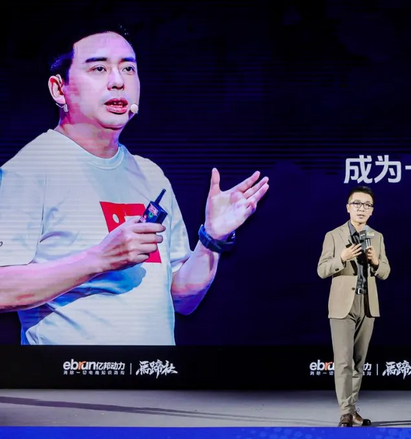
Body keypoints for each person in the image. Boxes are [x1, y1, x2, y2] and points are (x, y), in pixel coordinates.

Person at [0, 25, 269, 345]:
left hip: (152, 373)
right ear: (59, 89)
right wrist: (99, 259)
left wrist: (211, 239)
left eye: (128, 68)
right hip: (73, 374)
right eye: (99, 68)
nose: (118, 81)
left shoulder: (150, 175)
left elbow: (181, 299)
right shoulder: (29, 170)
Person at [317, 185, 390, 427]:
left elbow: (386, 272)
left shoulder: (377, 237)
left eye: (367, 205)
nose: (361, 208)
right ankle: (345, 412)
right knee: (343, 361)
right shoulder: (334, 235)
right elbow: (322, 270)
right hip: (342, 305)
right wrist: (342, 258)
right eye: (357, 204)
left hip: (367, 303)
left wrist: (376, 261)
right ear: (348, 207)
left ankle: (352, 409)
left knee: (359, 361)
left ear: (372, 211)